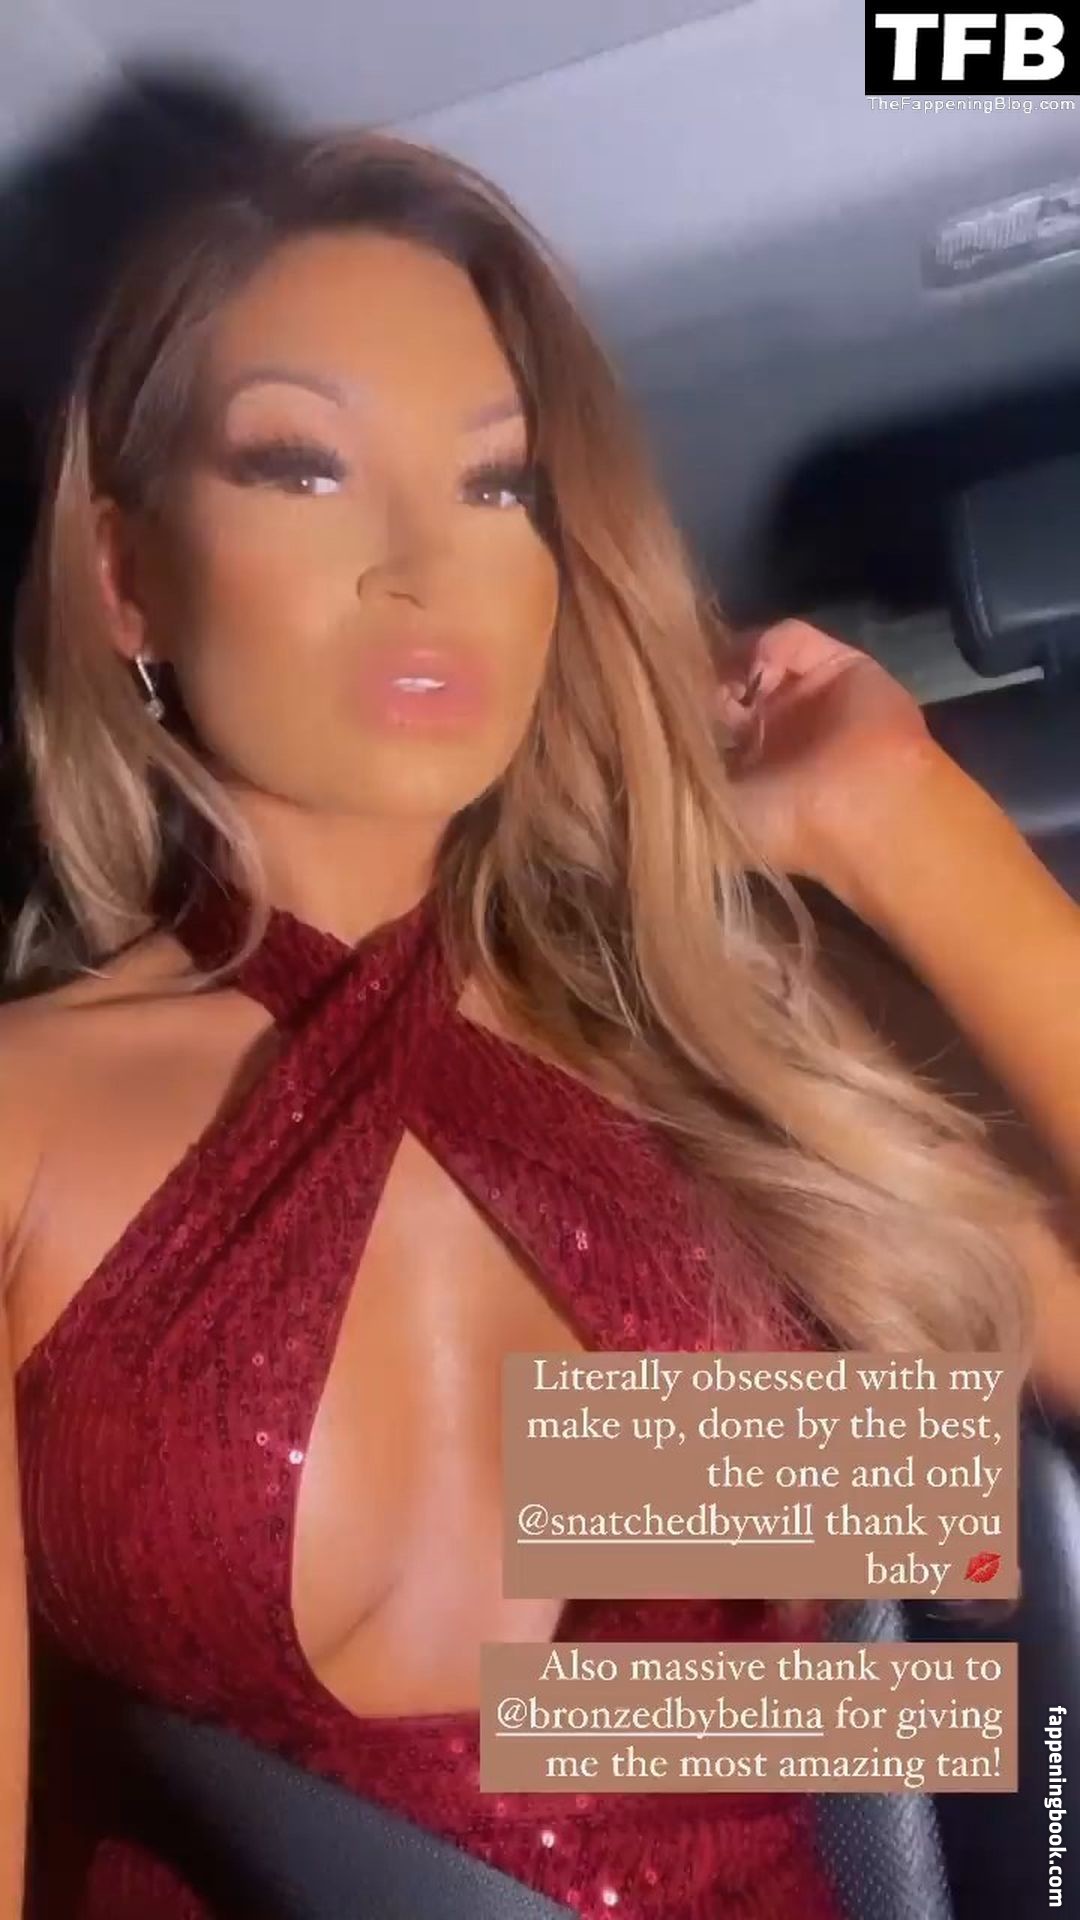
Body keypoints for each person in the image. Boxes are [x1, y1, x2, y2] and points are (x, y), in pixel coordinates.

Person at [1, 129, 1078, 1920]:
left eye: (497, 486)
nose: (425, 562)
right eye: (300, 465)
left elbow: (633, 1745)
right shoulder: (24, 1123)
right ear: (124, 578)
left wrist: (904, 824)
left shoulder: (705, 1044)